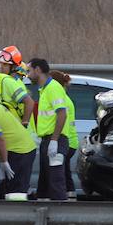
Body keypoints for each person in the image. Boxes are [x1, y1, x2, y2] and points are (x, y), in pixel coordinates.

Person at [28, 58, 70, 200]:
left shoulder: (53, 88)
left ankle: (60, 217)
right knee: (45, 182)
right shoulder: (44, 89)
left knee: (56, 182)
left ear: (38, 70)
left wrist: (54, 140)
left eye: (29, 71)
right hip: (48, 140)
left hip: (56, 140)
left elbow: (62, 114)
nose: (28, 75)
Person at [50, 70, 79, 194]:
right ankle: (70, 196)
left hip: (67, 141)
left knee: (61, 174)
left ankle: (68, 198)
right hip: (71, 141)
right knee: (65, 173)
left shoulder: (62, 100)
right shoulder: (65, 98)